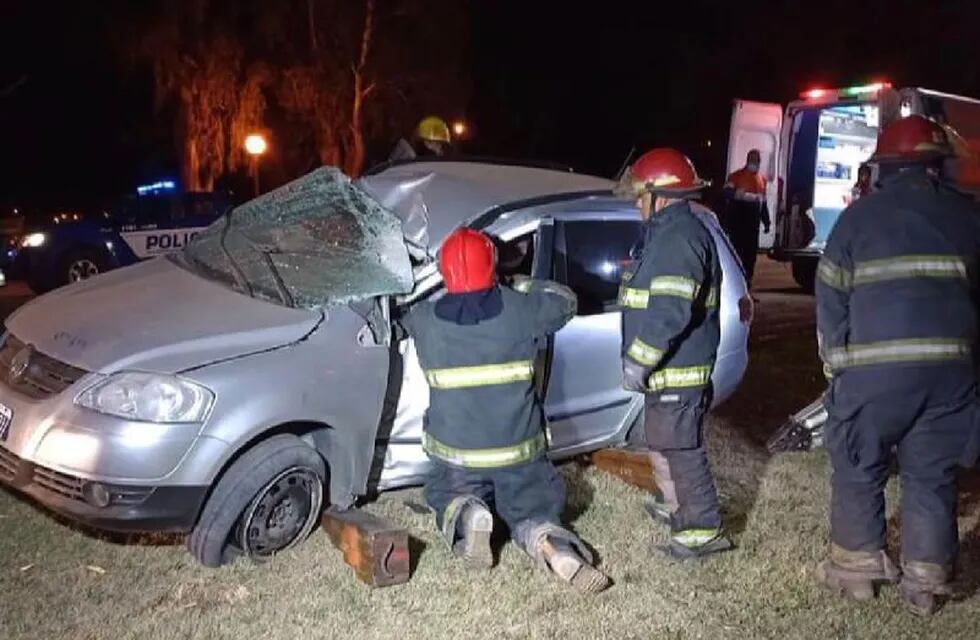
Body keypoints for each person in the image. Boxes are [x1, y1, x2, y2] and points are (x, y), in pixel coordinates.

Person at [815, 115, 980, 616]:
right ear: (937, 166)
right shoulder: (967, 217)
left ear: (883, 169)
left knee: (858, 461)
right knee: (931, 472)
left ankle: (858, 570)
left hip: (872, 374)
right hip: (948, 376)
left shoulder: (857, 219)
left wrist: (836, 365)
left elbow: (830, 295)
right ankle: (926, 583)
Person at [400, 228, 610, 593]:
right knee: (533, 508)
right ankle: (550, 544)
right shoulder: (521, 311)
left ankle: (469, 516)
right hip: (518, 453)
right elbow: (566, 301)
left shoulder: (424, 320)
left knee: (446, 495)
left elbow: (399, 314)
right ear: (493, 266)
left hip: (458, 457)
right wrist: (518, 283)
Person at [615, 148, 732, 559]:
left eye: (639, 196)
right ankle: (681, 511)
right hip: (668, 372)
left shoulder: (679, 238)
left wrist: (638, 360)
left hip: (676, 372)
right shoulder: (666, 234)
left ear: (659, 195)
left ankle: (702, 532)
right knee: (664, 444)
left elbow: (669, 311)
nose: (635, 203)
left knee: (682, 450)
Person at [723, 149, 771, 287]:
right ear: (747, 160)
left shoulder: (762, 180)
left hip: (752, 226)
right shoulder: (736, 176)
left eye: (757, 160)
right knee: (737, 256)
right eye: (752, 159)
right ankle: (735, 288)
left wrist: (766, 222)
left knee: (750, 259)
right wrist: (738, 194)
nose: (755, 163)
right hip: (738, 225)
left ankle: (746, 288)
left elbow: (764, 204)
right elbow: (726, 192)